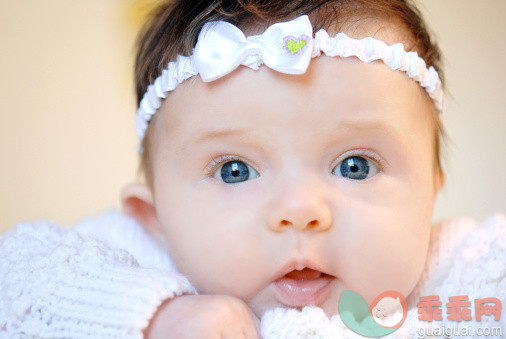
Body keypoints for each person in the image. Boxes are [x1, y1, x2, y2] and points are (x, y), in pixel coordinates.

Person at [1, 0, 504, 338]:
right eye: (234, 171)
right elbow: (15, 277)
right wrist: (156, 318)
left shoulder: (455, 278)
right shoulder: (140, 260)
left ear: (431, 190)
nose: (300, 211)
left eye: (355, 165)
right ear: (153, 216)